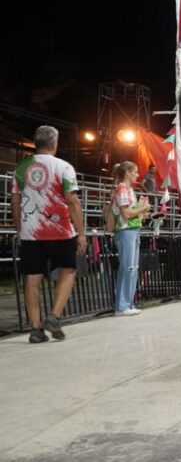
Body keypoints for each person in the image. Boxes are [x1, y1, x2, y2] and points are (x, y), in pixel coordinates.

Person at [12, 126, 86, 343]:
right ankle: (54, 316)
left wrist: (20, 228)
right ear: (55, 143)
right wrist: (81, 233)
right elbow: (72, 200)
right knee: (68, 270)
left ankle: (35, 330)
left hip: (31, 233)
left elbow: (15, 202)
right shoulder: (64, 167)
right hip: (60, 230)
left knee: (32, 278)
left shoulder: (21, 168)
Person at [111, 161, 151, 316]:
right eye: (135, 171)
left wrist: (142, 212)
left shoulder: (129, 190)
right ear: (127, 172)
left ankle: (128, 303)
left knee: (132, 268)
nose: (138, 175)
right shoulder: (122, 189)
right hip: (125, 230)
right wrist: (142, 209)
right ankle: (122, 306)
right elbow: (126, 214)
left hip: (132, 229)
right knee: (127, 267)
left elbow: (130, 213)